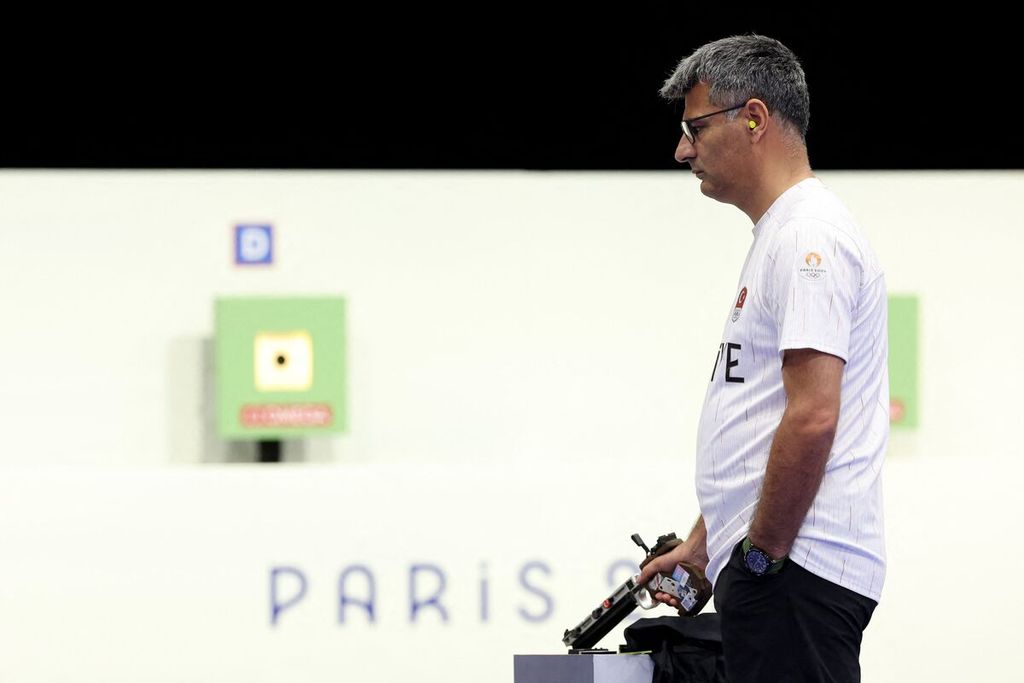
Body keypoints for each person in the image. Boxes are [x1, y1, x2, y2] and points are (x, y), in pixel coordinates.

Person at [637, 34, 888, 682]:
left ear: (753, 118)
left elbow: (811, 417)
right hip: (780, 575)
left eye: (695, 128)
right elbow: (764, 421)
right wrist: (703, 545)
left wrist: (760, 553)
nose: (682, 150)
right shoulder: (783, 233)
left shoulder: (808, 235)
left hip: (791, 575)